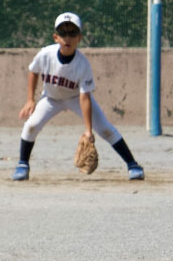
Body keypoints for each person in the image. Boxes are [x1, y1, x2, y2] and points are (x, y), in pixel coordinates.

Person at [12, 11, 145, 182]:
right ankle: (23, 164)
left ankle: (133, 165)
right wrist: (30, 99)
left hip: (75, 98)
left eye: (72, 33)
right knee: (31, 125)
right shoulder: (45, 54)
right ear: (55, 37)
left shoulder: (82, 64)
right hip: (51, 99)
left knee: (105, 128)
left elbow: (84, 97)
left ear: (79, 38)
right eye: (63, 33)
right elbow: (33, 71)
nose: (67, 37)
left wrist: (88, 131)